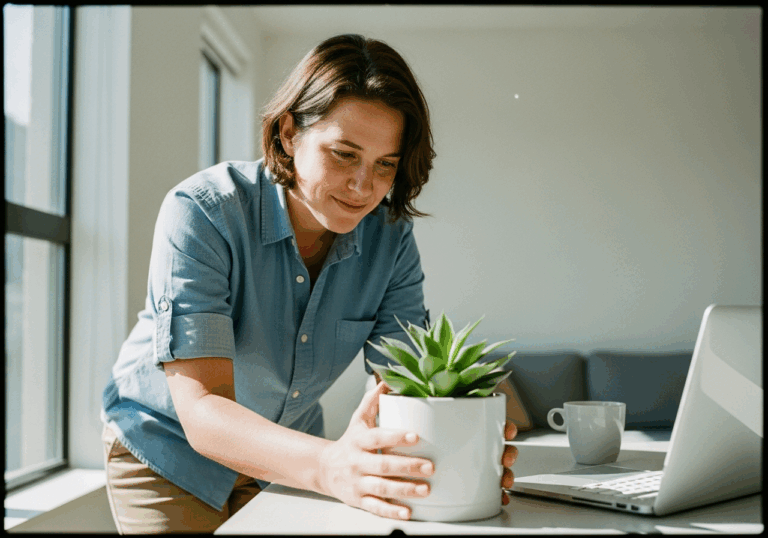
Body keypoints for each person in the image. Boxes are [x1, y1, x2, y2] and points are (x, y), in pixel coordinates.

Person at [101, 33, 518, 534]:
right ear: (286, 134)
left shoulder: (391, 239)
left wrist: (458, 451)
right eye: (344, 154)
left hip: (292, 457)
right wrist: (330, 467)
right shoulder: (202, 213)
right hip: (166, 451)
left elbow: (403, 384)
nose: (364, 187)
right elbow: (203, 408)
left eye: (385, 164)